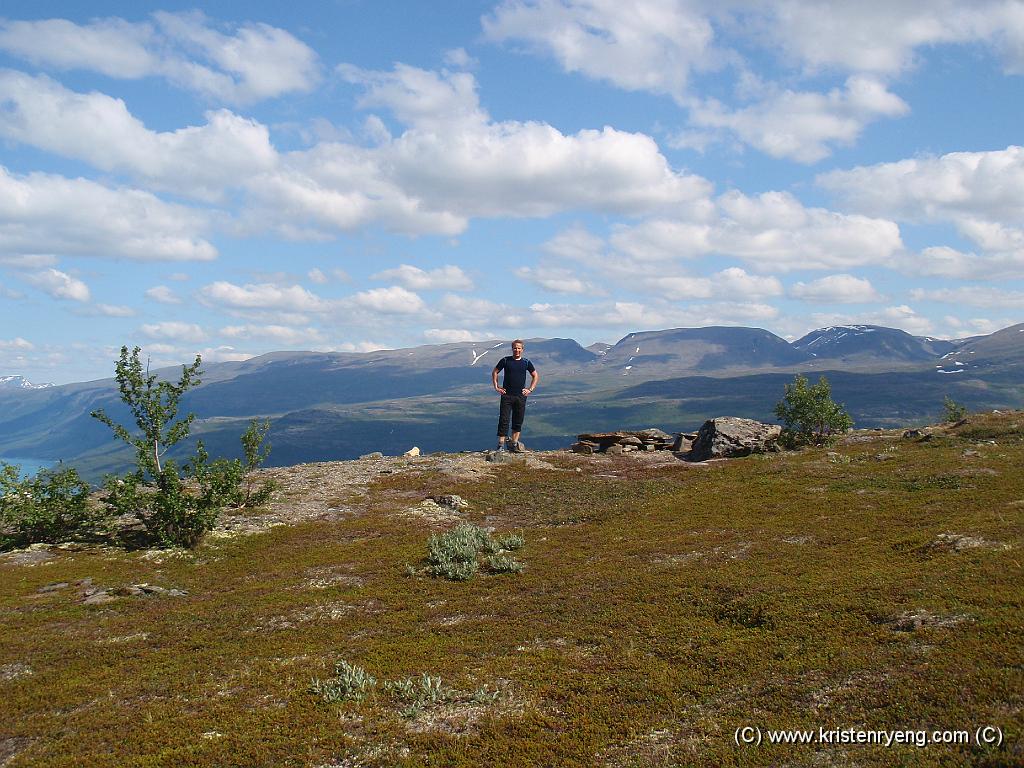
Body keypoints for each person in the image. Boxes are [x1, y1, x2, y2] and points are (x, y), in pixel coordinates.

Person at [491, 339, 539, 453]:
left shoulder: (526, 362)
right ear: (512, 348)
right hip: (507, 395)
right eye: (515, 348)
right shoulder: (505, 361)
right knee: (504, 419)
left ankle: (514, 443)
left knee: (518, 420)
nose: (517, 350)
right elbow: (495, 372)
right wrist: (496, 387)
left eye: (519, 348)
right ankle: (501, 444)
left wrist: (530, 389)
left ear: (522, 349)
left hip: (520, 396)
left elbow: (535, 375)